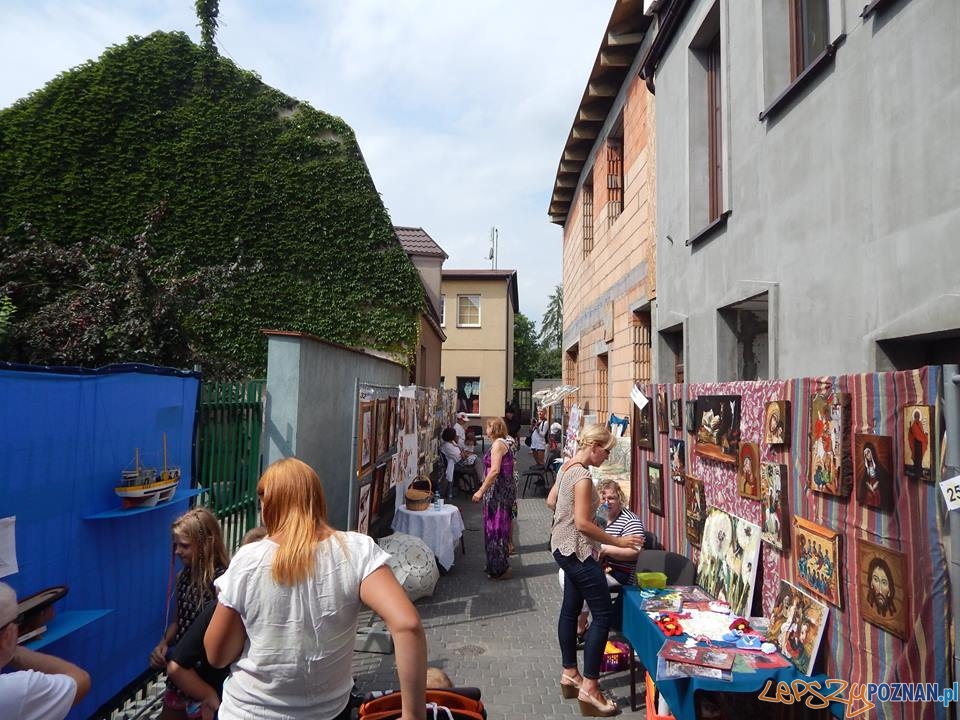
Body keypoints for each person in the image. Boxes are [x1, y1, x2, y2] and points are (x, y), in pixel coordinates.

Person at [204, 457, 427, 720]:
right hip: (329, 712)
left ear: (269, 504)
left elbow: (217, 655)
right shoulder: (357, 551)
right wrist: (413, 714)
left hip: (250, 711)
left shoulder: (248, 560)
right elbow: (408, 625)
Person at [550, 423, 645, 717]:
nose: (607, 457)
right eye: (606, 451)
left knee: (571, 608)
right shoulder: (582, 476)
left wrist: (574, 516)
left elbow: (551, 501)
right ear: (594, 447)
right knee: (602, 614)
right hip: (577, 552)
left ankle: (570, 673)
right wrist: (617, 539)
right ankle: (590, 686)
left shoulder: (567, 466)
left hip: (562, 546)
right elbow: (582, 523)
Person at [166, 526, 268, 720]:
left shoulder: (224, 586)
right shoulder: (224, 597)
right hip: (208, 685)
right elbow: (180, 663)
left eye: (184, 545)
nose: (178, 551)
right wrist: (208, 694)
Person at [151, 507, 230, 720]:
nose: (177, 551)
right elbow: (178, 622)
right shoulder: (183, 577)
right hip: (180, 681)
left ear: (206, 545)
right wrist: (164, 644)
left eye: (184, 546)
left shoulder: (222, 582)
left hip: (206, 679)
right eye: (175, 545)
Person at [0, 582, 91, 719]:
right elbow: (81, 681)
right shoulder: (16, 690)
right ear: (7, 635)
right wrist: (11, 650)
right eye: (18, 620)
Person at [471, 416, 516, 580]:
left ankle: (499, 567)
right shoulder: (503, 443)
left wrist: (480, 491)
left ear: (494, 429)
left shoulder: (498, 444)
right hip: (501, 490)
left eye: (488, 427)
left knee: (496, 527)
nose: (485, 429)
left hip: (498, 492)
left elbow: (495, 470)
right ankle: (495, 563)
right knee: (497, 526)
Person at [858, 440, 892, 509]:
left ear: (872, 452)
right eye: (866, 455)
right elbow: (865, 481)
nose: (868, 456)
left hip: (878, 491)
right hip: (870, 491)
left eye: (869, 453)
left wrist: (877, 484)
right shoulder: (867, 468)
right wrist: (869, 485)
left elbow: (884, 478)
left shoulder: (879, 467)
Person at [908, 409, 929, 478]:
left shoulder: (920, 423)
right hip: (916, 444)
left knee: (920, 459)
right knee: (917, 459)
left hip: (920, 444)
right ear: (914, 416)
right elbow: (916, 435)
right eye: (916, 416)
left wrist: (925, 435)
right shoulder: (913, 425)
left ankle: (919, 472)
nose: (917, 417)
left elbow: (922, 433)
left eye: (918, 415)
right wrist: (923, 437)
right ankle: (917, 473)